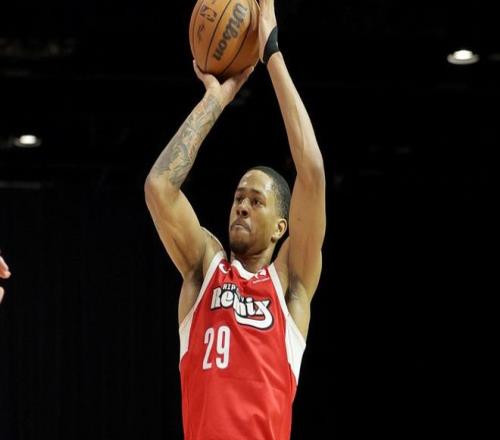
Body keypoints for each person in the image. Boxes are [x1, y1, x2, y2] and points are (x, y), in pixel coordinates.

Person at [144, 1, 325, 438]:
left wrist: (271, 52)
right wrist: (215, 99)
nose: (241, 206)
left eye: (256, 201)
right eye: (239, 197)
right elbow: (159, 187)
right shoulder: (205, 269)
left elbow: (312, 173)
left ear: (281, 227)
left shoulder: (290, 285)